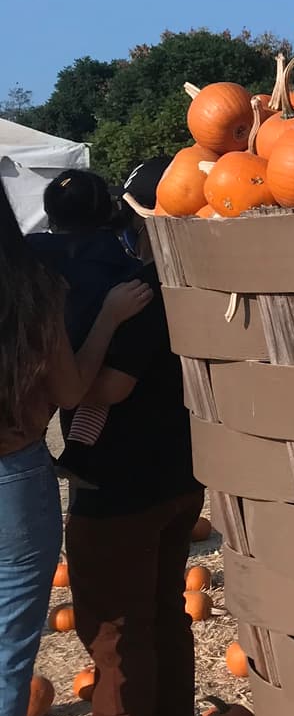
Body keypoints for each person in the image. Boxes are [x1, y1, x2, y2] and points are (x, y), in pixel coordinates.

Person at [0, 182, 151, 716]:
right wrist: (110, 319)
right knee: (6, 662)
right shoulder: (31, 284)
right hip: (12, 475)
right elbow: (71, 391)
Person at [62, 171, 205, 716]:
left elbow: (104, 388)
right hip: (177, 474)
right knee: (164, 612)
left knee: (114, 631)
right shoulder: (183, 280)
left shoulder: (126, 290)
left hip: (121, 485)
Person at [27, 170, 145, 485]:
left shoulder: (30, 251)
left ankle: (36, 441)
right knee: (101, 393)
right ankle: (78, 454)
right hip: (91, 353)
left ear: (50, 215)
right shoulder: (119, 261)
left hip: (36, 355)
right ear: (108, 212)